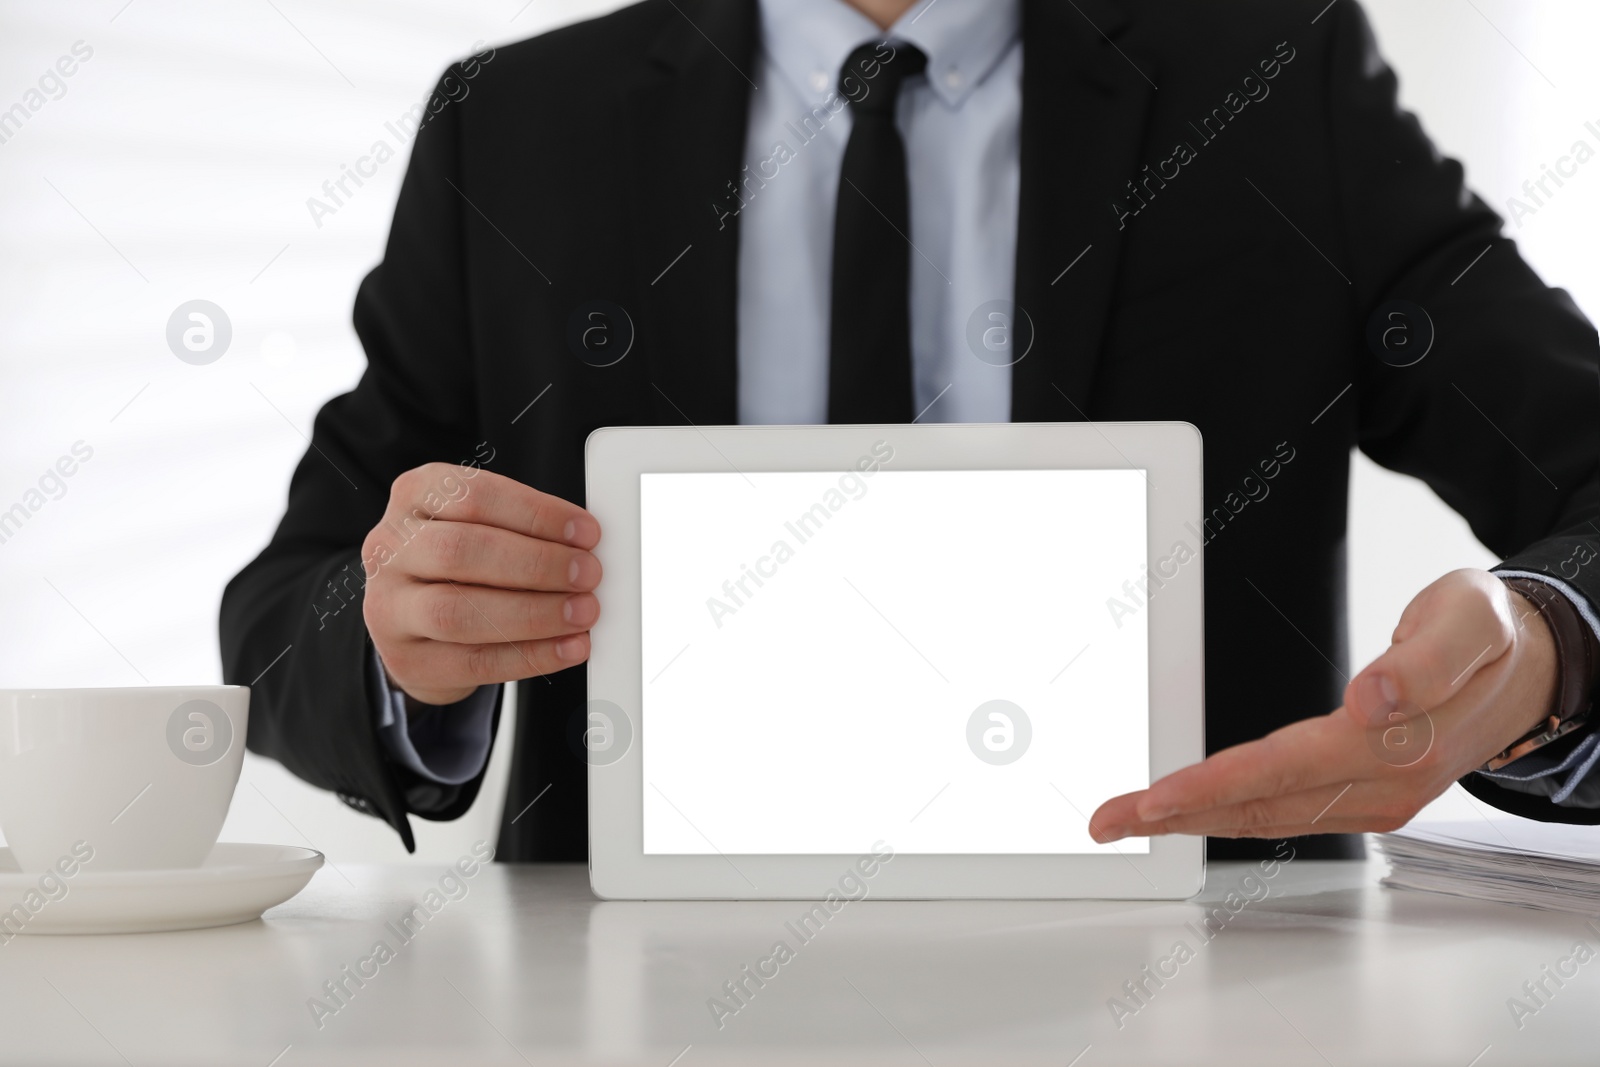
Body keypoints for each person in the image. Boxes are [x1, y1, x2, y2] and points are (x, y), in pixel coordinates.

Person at [221, 0, 1600, 863]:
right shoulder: (515, 127)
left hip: (1199, 990)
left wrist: (1547, 649)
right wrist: (408, 640)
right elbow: (289, 604)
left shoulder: (1279, 81)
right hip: (629, 999)